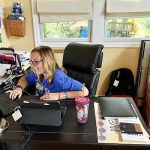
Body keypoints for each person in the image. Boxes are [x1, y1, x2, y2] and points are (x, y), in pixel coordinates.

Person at [6, 46, 89, 100]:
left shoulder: (59, 78)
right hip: (42, 103)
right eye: (31, 62)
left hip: (59, 107)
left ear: (47, 61)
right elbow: (25, 79)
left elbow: (85, 91)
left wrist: (58, 96)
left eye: (36, 62)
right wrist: (19, 88)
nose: (32, 65)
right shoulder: (38, 73)